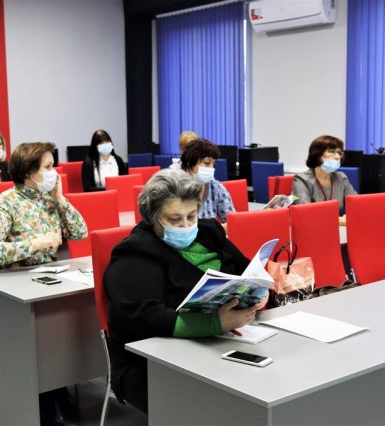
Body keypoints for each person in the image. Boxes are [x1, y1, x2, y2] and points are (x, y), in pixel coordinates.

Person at [104, 169, 268, 413]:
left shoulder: (209, 232)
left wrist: (259, 291)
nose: (186, 226)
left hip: (222, 343)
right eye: (174, 219)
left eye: (192, 216)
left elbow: (247, 270)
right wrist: (215, 323)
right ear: (152, 216)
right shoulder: (135, 253)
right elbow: (144, 317)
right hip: (151, 362)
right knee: (228, 404)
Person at [0, 142, 87, 426]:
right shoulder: (4, 203)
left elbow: (80, 232)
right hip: (10, 290)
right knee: (43, 335)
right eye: (48, 167)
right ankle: (46, 398)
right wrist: (35, 244)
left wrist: (60, 198)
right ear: (29, 172)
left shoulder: (49, 199)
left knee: (64, 326)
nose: (55, 173)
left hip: (47, 282)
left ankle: (57, 386)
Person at [292, 135, 357, 224]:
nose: (337, 157)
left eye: (339, 153)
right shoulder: (301, 180)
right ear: (317, 155)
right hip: (313, 228)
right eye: (331, 152)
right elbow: (304, 213)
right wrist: (338, 221)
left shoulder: (341, 178)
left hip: (336, 228)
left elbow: (357, 205)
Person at [180, 138, 235, 223]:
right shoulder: (176, 188)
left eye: (213, 163)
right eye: (207, 162)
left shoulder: (215, 187)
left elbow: (233, 222)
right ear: (189, 164)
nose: (211, 168)